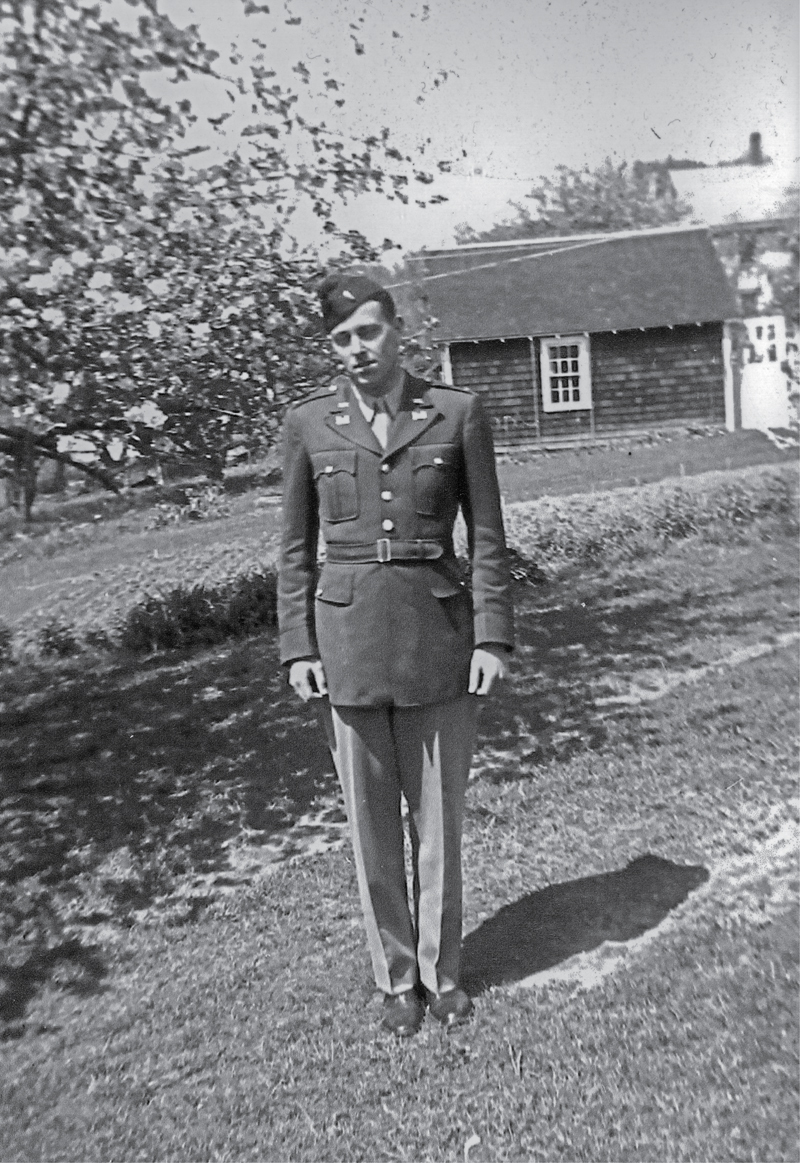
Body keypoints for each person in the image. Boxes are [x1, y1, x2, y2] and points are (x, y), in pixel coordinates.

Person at [277, 272, 514, 1037]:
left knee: (437, 821)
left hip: (438, 642)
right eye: (341, 339)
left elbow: (488, 538)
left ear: (397, 330)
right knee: (371, 827)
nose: (356, 349)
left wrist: (491, 636)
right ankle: (396, 978)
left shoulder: (456, 413)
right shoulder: (309, 424)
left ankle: (444, 974)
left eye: (368, 332)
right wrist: (296, 648)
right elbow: (292, 551)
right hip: (345, 646)